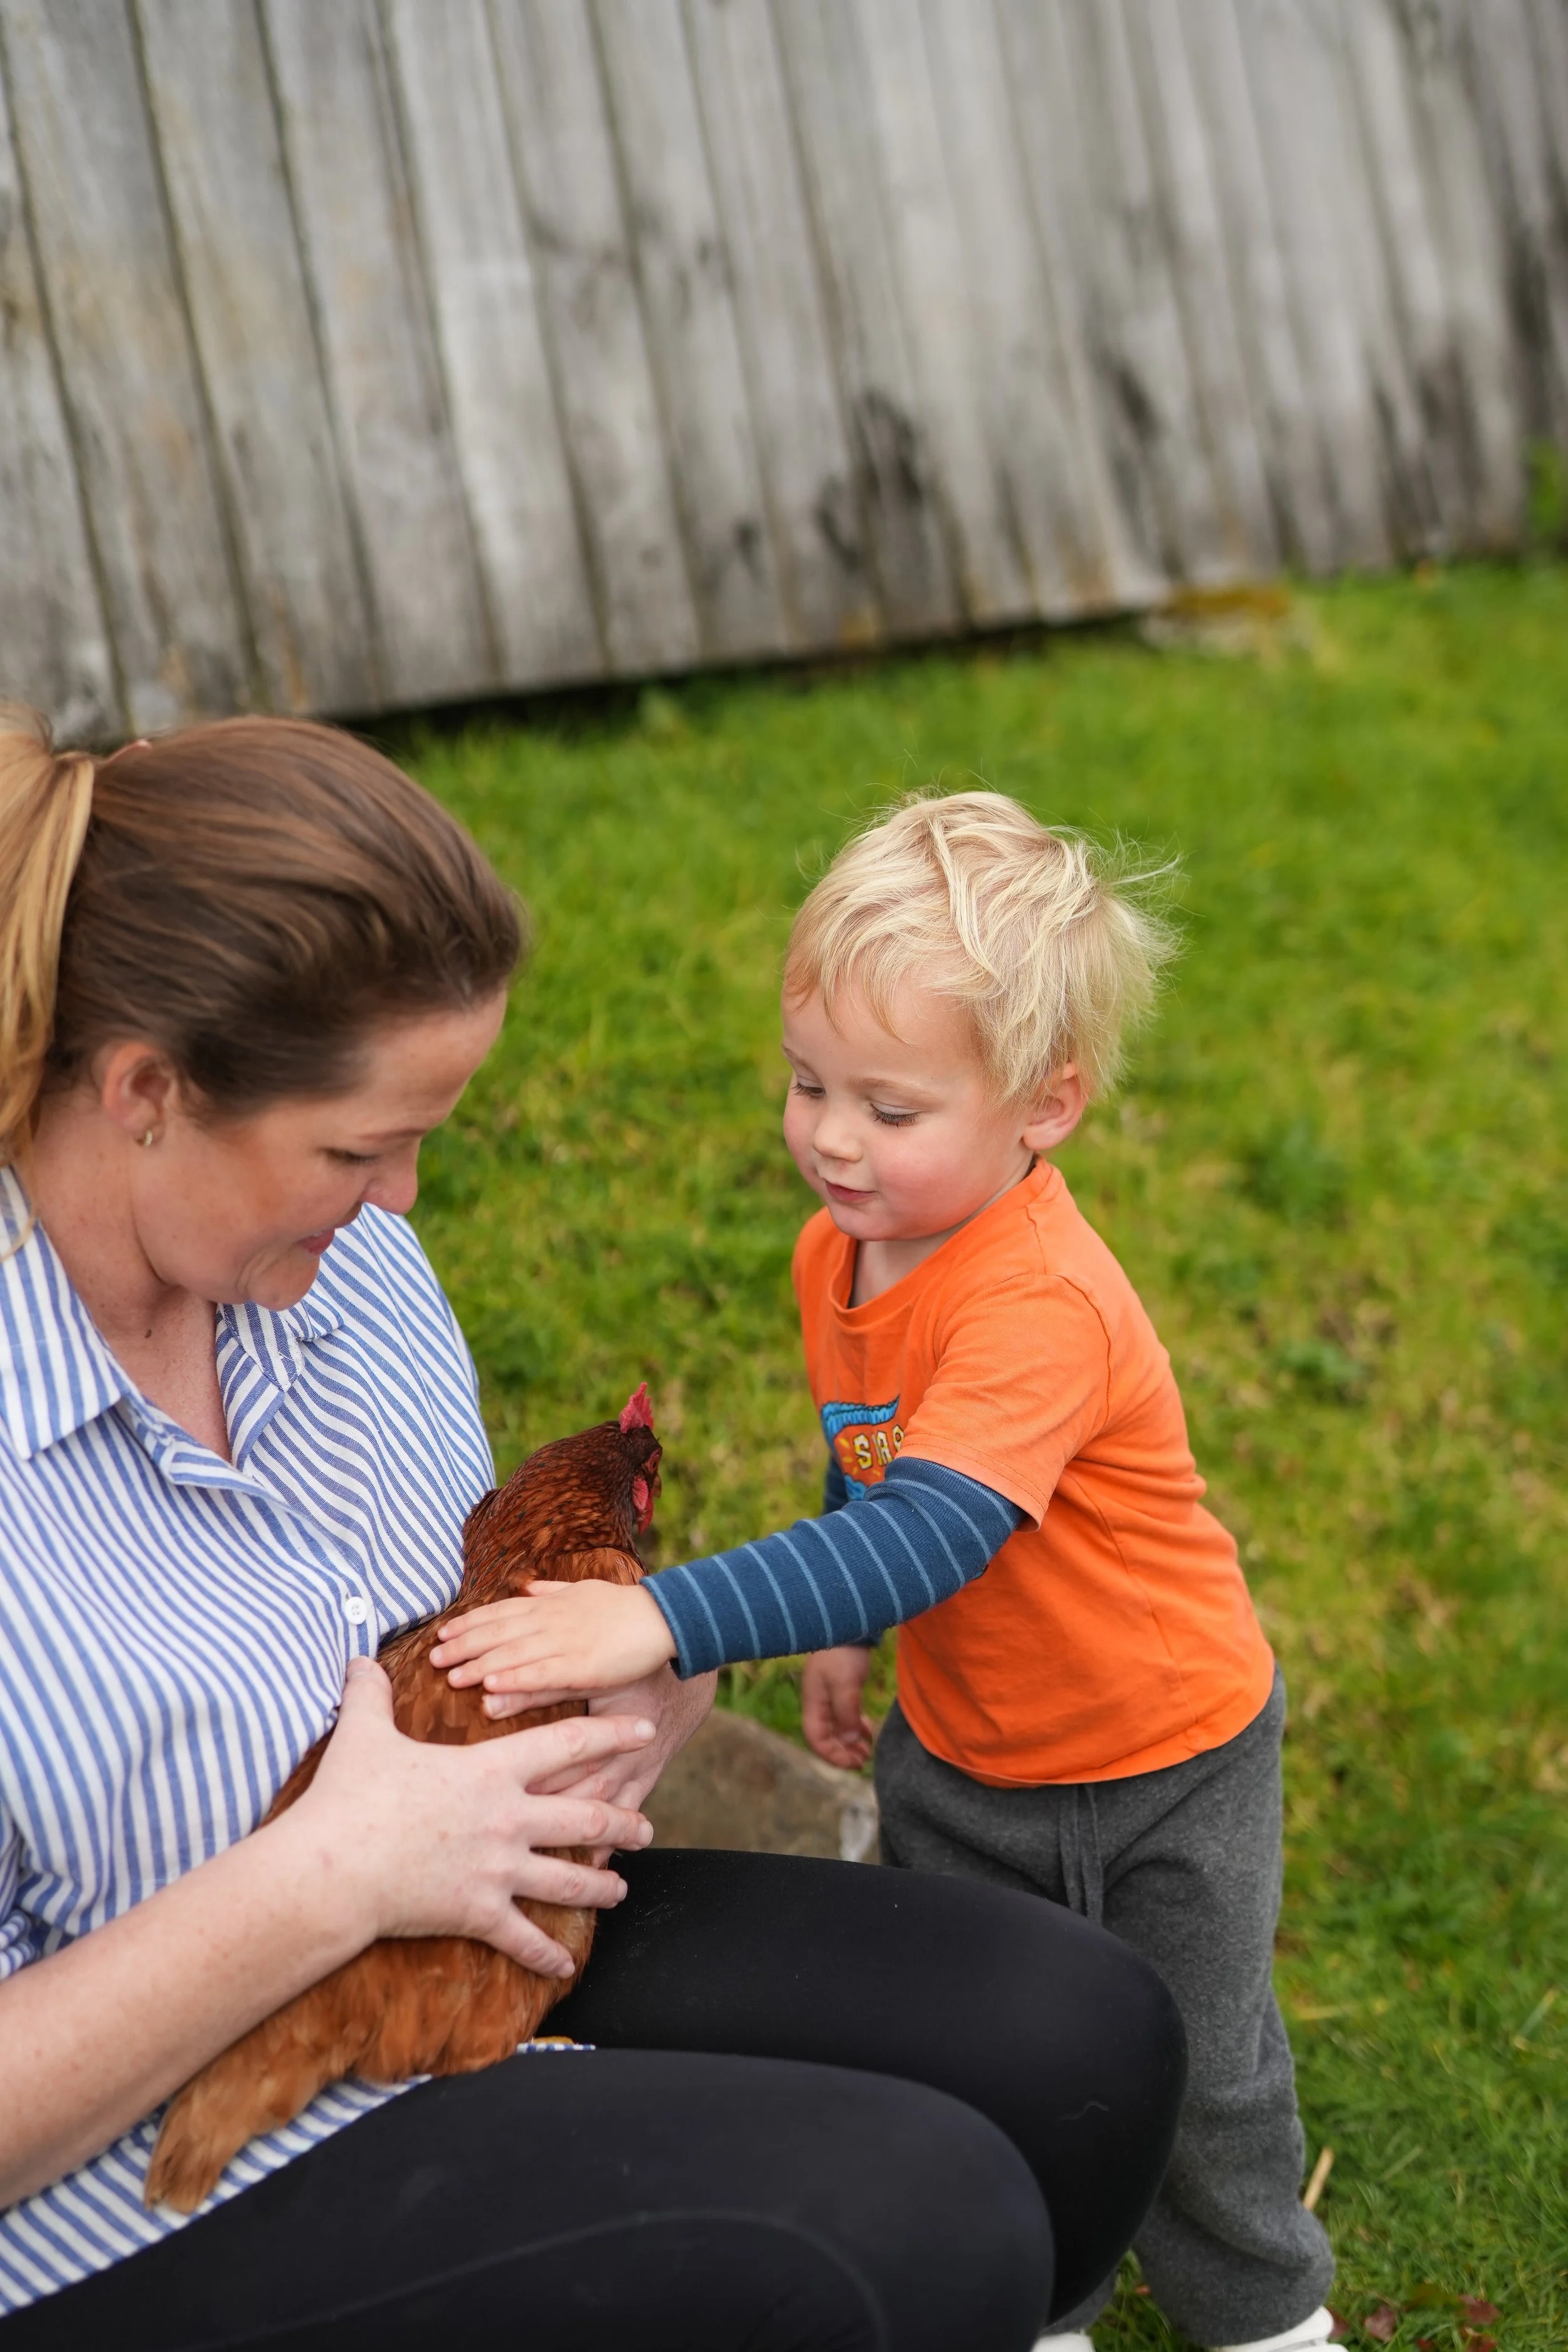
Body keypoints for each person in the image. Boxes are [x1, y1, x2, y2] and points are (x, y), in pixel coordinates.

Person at [0, 713, 1184, 2351]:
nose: (405, 1199)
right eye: (360, 1145)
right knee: (906, 2219)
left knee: (1081, 2028)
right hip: (136, 2169)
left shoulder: (340, 1271)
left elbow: (487, 1623)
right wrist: (328, 1873)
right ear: (144, 1091)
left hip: (471, 1939)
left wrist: (637, 1693)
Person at [443, 792, 1338, 2352]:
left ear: (1041, 1107)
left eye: (889, 1108)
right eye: (807, 1086)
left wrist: (662, 1610)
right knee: (984, 2040)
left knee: (1204, 2065)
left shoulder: (1037, 1303)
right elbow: (870, 1459)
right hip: (968, 1746)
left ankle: (1264, 2321)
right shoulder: (838, 1249)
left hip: (1165, 1751)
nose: (831, 1139)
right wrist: (841, 1643)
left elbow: (924, 1533)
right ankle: (1035, 2297)